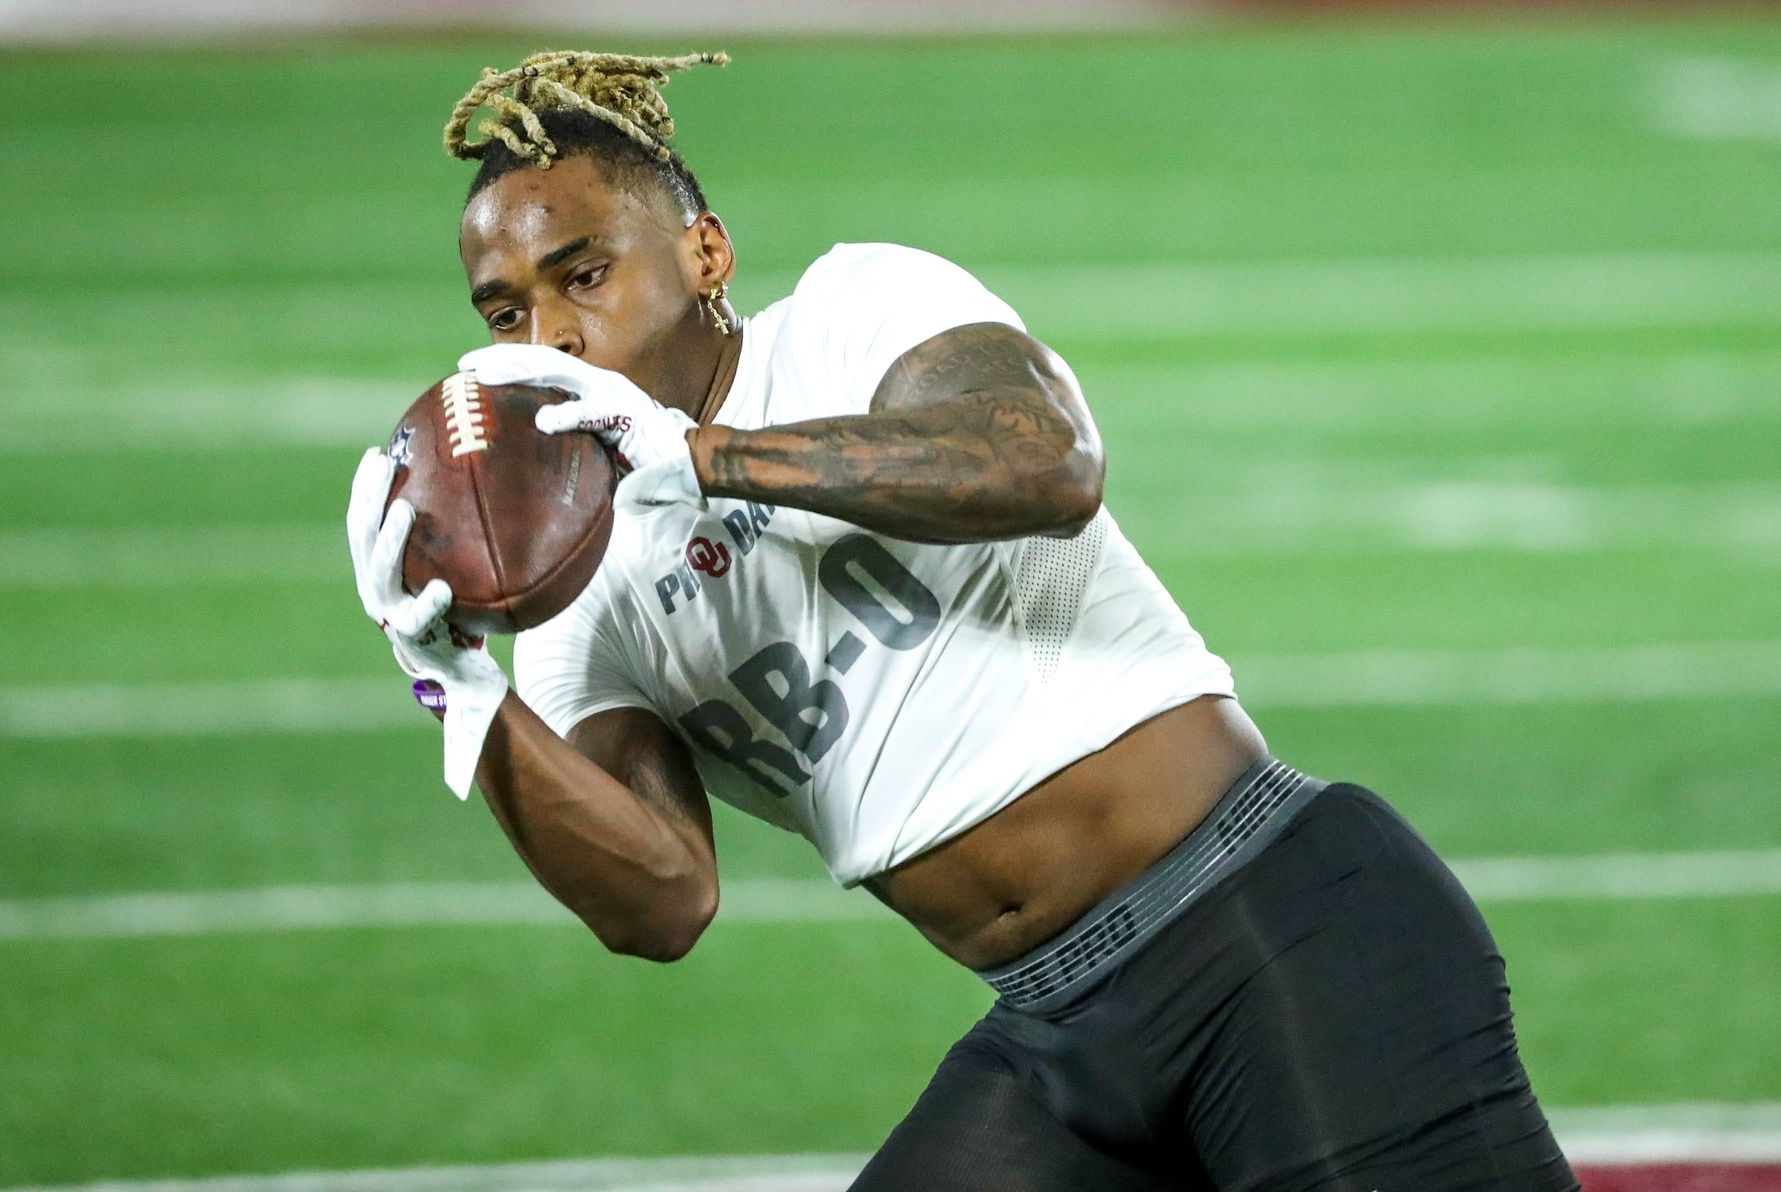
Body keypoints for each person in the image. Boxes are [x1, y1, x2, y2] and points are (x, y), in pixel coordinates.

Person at [345, 50, 1580, 1191]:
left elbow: (1044, 463)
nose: (549, 336)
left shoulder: (854, 308)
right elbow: (660, 901)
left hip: (1271, 931)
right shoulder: (581, 582)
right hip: (1058, 1032)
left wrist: (706, 458)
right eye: (505, 312)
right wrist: (459, 687)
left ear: (706, 254)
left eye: (585, 275)